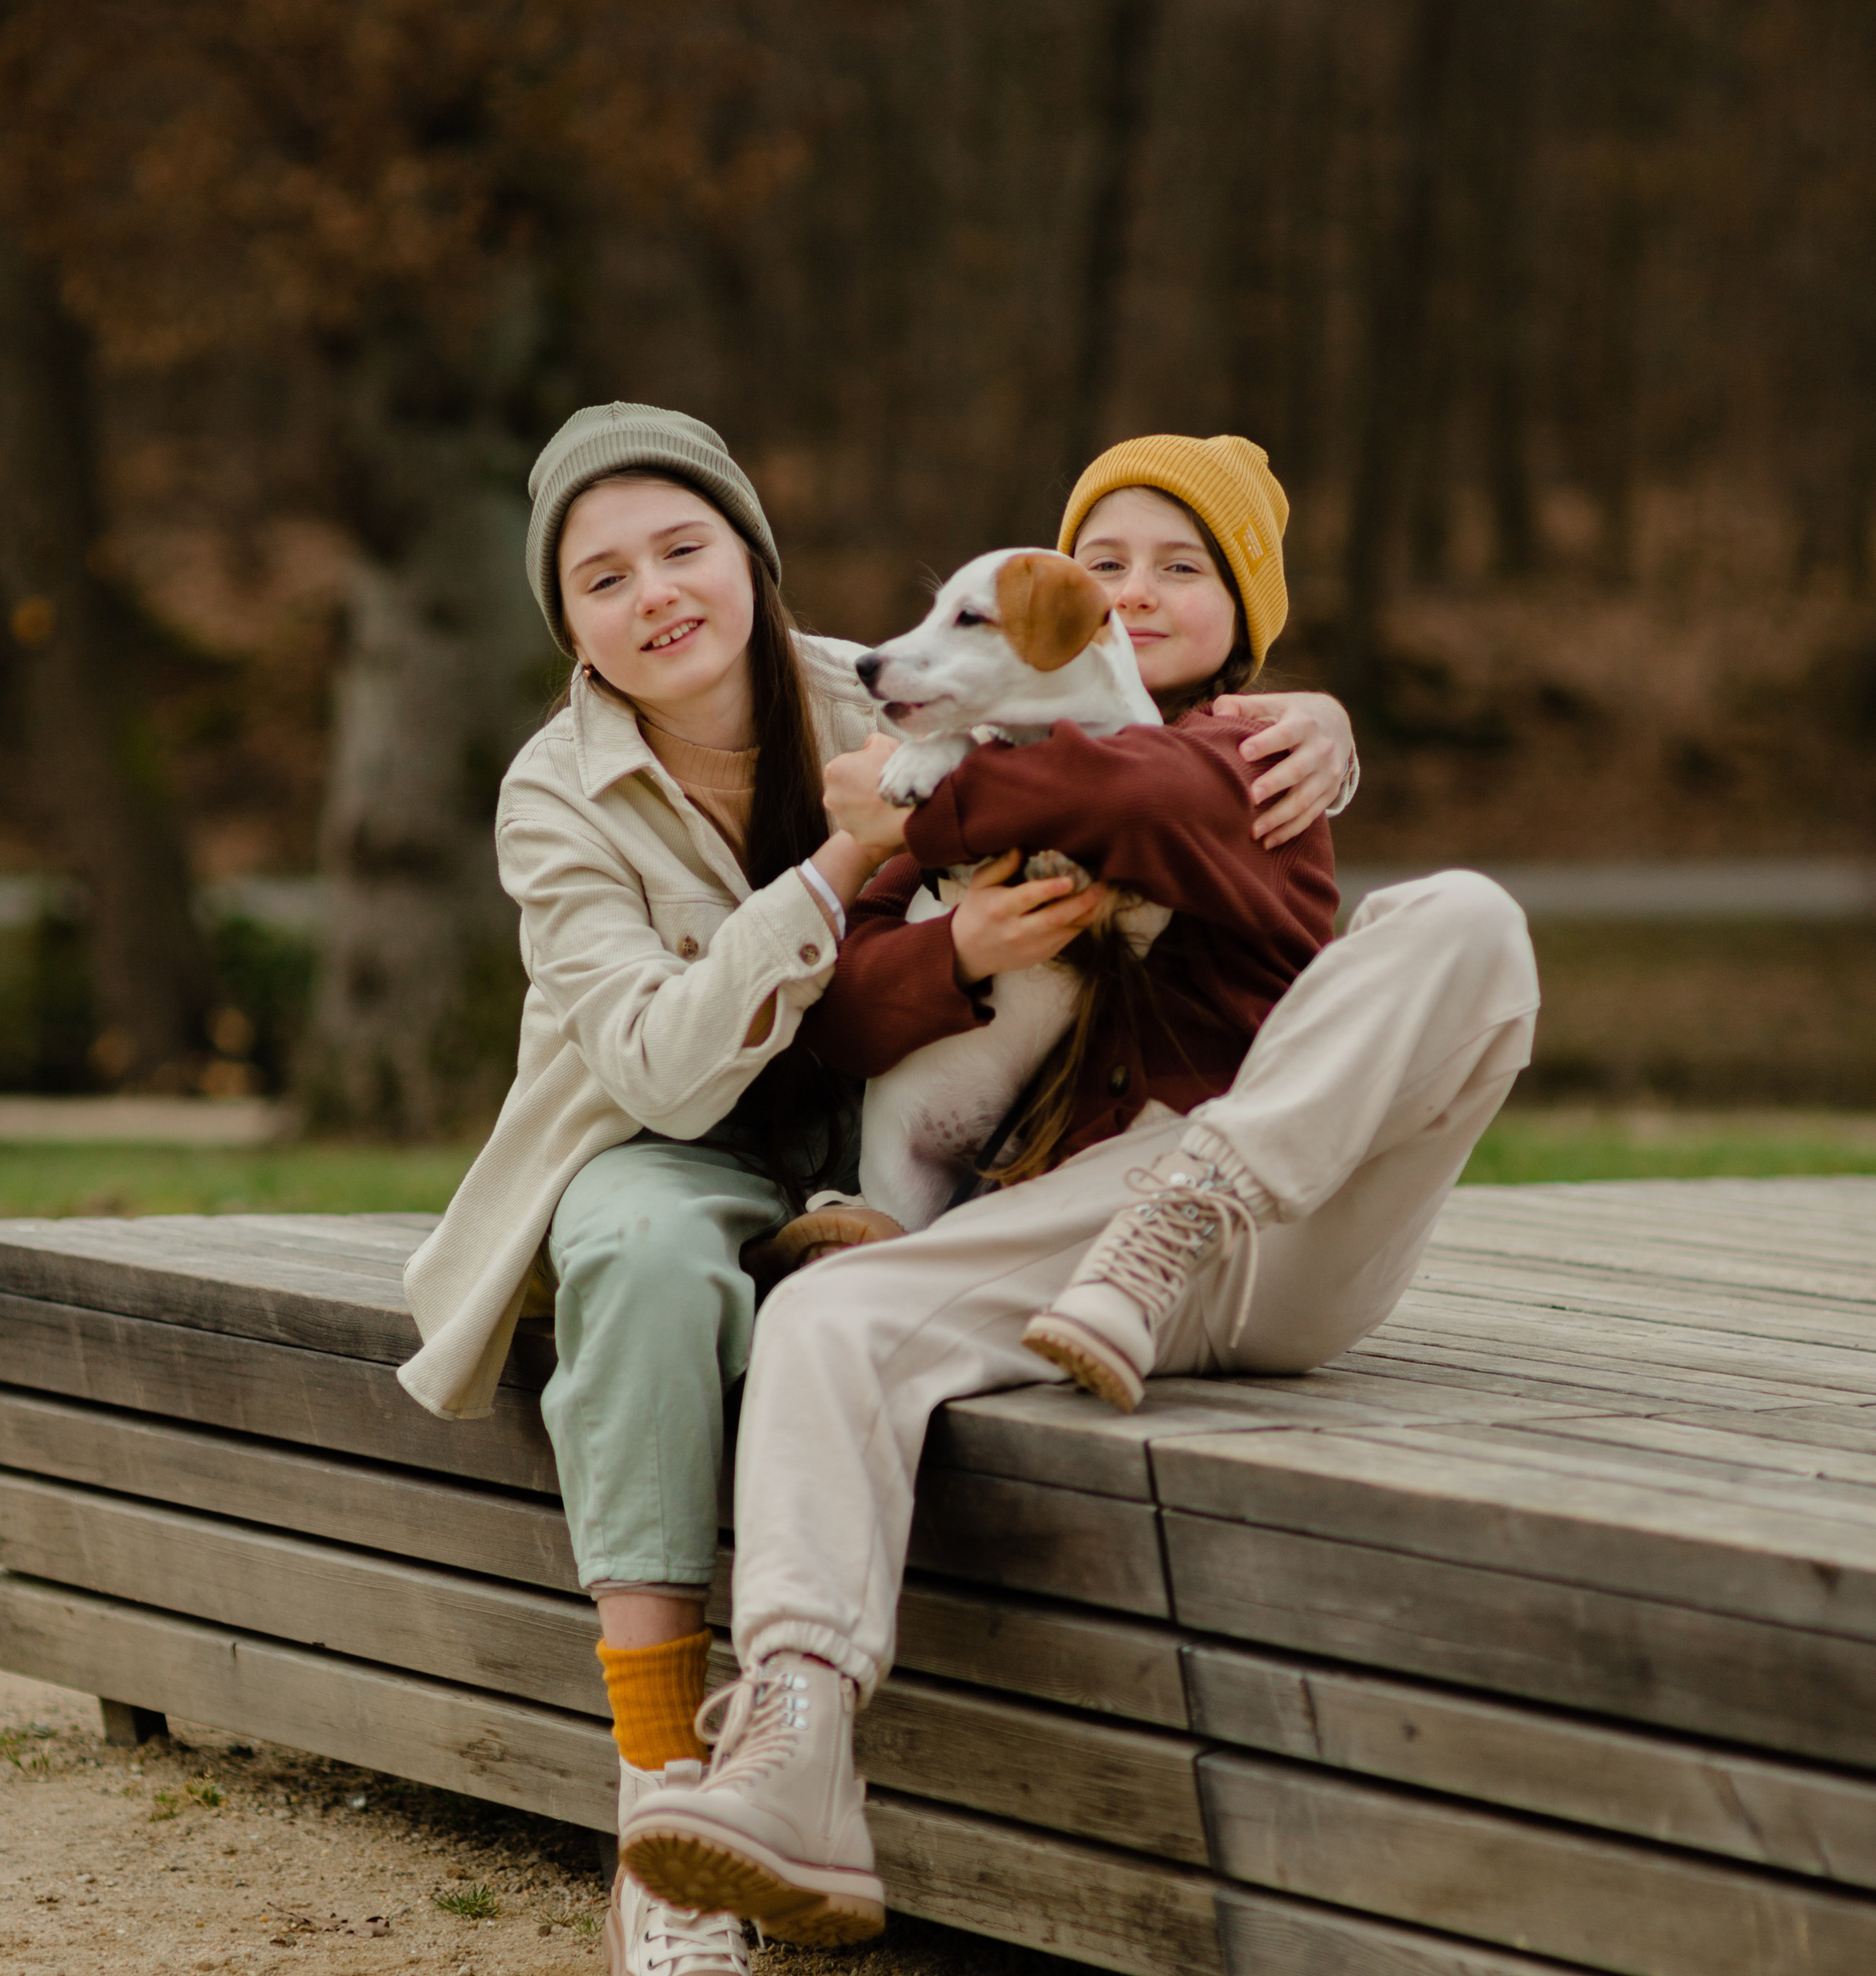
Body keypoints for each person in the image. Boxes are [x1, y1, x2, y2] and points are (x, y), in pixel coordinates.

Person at [394, 405, 1359, 1976]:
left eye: (684, 548)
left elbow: (1116, 707)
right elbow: (649, 1064)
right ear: (566, 623)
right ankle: (662, 1796)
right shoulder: (554, 789)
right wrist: (850, 878)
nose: (654, 595)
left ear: (753, 561)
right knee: (637, 1264)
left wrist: (1303, 711)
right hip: (682, 1126)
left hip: (896, 1116)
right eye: (601, 577)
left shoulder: (872, 678)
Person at [620, 434, 1540, 1946]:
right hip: (1081, 1233)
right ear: (1051, 600)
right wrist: (947, 946)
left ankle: (1191, 1204)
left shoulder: (1262, 755)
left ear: (1243, 621)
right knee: (829, 1318)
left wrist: (921, 808)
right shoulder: (965, 765)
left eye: (1182, 567)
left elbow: (1143, 793)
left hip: (1269, 1211)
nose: (1134, 590)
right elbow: (837, 1015)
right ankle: (793, 1748)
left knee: (1465, 917)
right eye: (1101, 562)